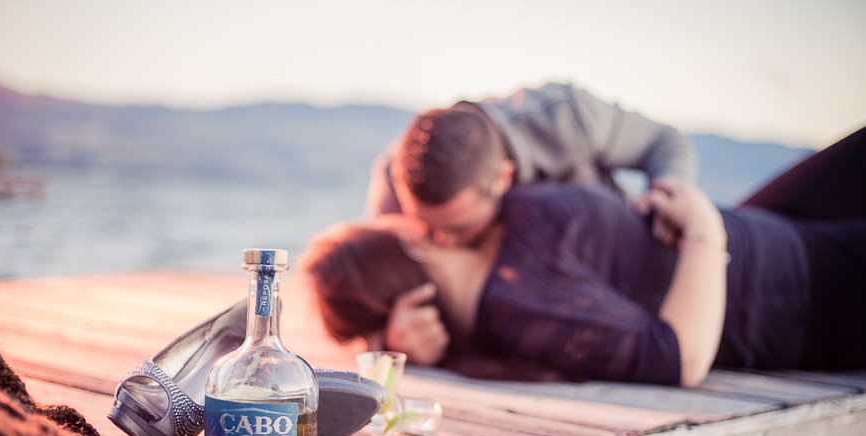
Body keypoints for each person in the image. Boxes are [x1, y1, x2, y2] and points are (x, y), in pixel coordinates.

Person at [302, 129, 866, 388]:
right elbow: (679, 360)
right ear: (412, 243)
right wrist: (703, 233)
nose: (396, 210)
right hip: (806, 292)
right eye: (384, 220)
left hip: (773, 235)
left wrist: (379, 342)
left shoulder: (496, 231)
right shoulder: (522, 308)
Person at [366, 83, 697, 366]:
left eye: (458, 229)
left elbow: (664, 141)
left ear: (503, 178)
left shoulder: (565, 116)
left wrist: (667, 195)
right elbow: (368, 283)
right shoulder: (395, 180)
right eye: (424, 228)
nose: (440, 244)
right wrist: (388, 336)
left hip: (642, 285)